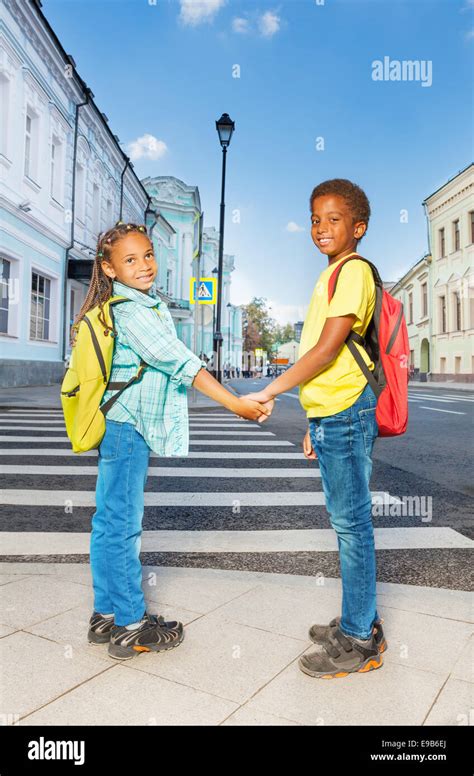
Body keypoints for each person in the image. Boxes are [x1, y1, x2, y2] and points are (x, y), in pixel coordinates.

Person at [76, 221, 273, 661]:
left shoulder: (133, 305)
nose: (144, 264)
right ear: (108, 269)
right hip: (128, 428)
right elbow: (181, 363)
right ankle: (130, 624)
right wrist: (237, 404)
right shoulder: (131, 311)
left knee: (108, 521)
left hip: (120, 424)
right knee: (123, 525)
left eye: (148, 254)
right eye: (130, 259)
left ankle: (104, 613)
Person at [243, 179, 387, 679]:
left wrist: (271, 389)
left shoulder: (353, 272)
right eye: (315, 219)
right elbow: (327, 361)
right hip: (334, 411)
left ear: (358, 227)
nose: (321, 228)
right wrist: (313, 418)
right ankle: (360, 621)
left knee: (352, 525)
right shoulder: (331, 275)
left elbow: (327, 349)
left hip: (348, 409)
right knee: (346, 522)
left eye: (333, 219)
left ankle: (360, 637)